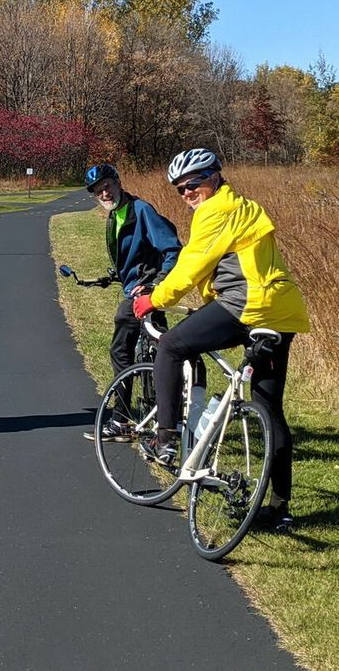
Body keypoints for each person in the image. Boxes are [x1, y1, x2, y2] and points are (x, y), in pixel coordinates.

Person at [132, 148, 310, 532]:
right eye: (180, 189)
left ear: (213, 177)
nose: (187, 194)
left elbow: (190, 267)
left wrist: (153, 299)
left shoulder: (214, 212)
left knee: (171, 345)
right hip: (280, 311)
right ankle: (280, 509)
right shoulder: (242, 206)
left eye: (192, 184)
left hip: (245, 306)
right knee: (270, 410)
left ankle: (165, 440)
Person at [81, 162, 182, 442]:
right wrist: (115, 276)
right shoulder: (116, 214)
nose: (104, 193)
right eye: (97, 191)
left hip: (146, 295)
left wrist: (155, 283)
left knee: (121, 350)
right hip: (137, 292)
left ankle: (122, 420)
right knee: (159, 355)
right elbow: (134, 256)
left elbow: (173, 249)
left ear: (118, 182)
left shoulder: (141, 211)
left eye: (107, 186)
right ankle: (163, 422)